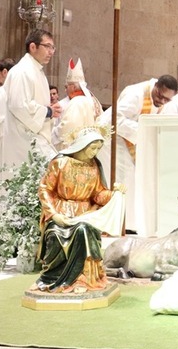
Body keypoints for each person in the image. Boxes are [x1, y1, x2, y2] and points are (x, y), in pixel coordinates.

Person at [34, 126, 125, 293]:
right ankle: (53, 277)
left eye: (98, 148)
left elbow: (98, 194)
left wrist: (114, 194)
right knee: (55, 234)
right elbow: (45, 189)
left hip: (85, 214)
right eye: (92, 148)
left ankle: (82, 279)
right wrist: (53, 215)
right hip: (60, 213)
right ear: (82, 145)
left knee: (84, 230)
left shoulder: (94, 166)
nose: (95, 152)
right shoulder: (60, 163)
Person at [97, 74, 177, 233]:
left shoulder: (160, 99)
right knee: (122, 180)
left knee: (131, 179)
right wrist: (145, 130)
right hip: (109, 139)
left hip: (126, 140)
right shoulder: (136, 94)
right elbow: (115, 120)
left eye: (167, 100)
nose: (162, 101)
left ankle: (128, 224)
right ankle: (118, 224)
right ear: (156, 87)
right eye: (160, 96)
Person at [1, 30, 60, 183]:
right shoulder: (22, 71)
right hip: (24, 140)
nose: (51, 52)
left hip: (33, 137)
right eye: (47, 46)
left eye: (53, 48)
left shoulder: (36, 71)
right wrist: (48, 111)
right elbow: (19, 106)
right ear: (33, 47)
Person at [54, 58, 101, 149]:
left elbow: (67, 129)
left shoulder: (77, 102)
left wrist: (53, 131)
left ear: (74, 87)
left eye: (66, 86)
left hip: (77, 148)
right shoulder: (94, 101)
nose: (65, 89)